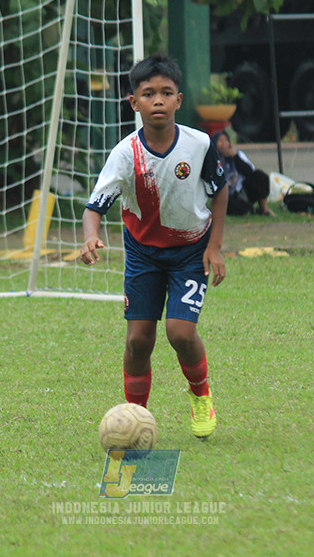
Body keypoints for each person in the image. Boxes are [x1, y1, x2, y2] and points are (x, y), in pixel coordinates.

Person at [80, 54, 228, 439]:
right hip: (143, 254)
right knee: (138, 339)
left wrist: (214, 247)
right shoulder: (124, 154)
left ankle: (201, 394)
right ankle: (135, 417)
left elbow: (220, 190)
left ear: (179, 100)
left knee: (181, 333)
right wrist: (90, 236)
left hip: (190, 250)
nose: (157, 100)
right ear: (134, 102)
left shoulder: (199, 145)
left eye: (166, 92)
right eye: (148, 94)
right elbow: (95, 206)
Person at [212, 131, 275, 217]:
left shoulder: (237, 154)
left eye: (226, 140)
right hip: (227, 195)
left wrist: (235, 157)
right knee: (237, 207)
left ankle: (264, 208)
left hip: (241, 189)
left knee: (260, 176)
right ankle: (249, 210)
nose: (223, 144)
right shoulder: (213, 159)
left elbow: (250, 172)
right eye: (220, 141)